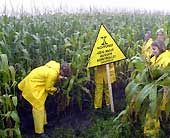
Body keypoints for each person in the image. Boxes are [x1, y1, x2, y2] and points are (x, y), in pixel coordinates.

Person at [18, 60, 71, 138]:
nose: (63, 75)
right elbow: (48, 88)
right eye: (64, 74)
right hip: (32, 86)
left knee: (41, 107)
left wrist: (60, 78)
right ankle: (39, 133)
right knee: (38, 108)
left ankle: (43, 124)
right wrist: (56, 90)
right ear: (61, 70)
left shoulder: (53, 66)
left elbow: (48, 75)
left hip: (31, 81)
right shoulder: (53, 74)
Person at [144, 40, 170, 137]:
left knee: (154, 111)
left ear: (160, 48)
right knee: (154, 110)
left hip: (162, 90)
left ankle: (151, 133)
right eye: (152, 49)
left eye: (154, 49)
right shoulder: (154, 58)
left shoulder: (167, 59)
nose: (152, 51)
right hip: (154, 89)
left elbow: (165, 75)